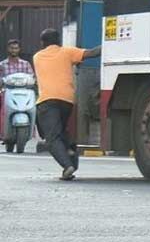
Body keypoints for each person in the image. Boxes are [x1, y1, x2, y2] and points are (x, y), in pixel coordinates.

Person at [32, 29, 100, 180]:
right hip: (67, 101)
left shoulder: (37, 57)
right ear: (59, 41)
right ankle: (70, 155)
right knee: (61, 131)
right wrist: (112, 44)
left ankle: (67, 166)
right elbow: (92, 53)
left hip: (47, 100)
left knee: (52, 138)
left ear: (42, 43)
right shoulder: (67, 52)